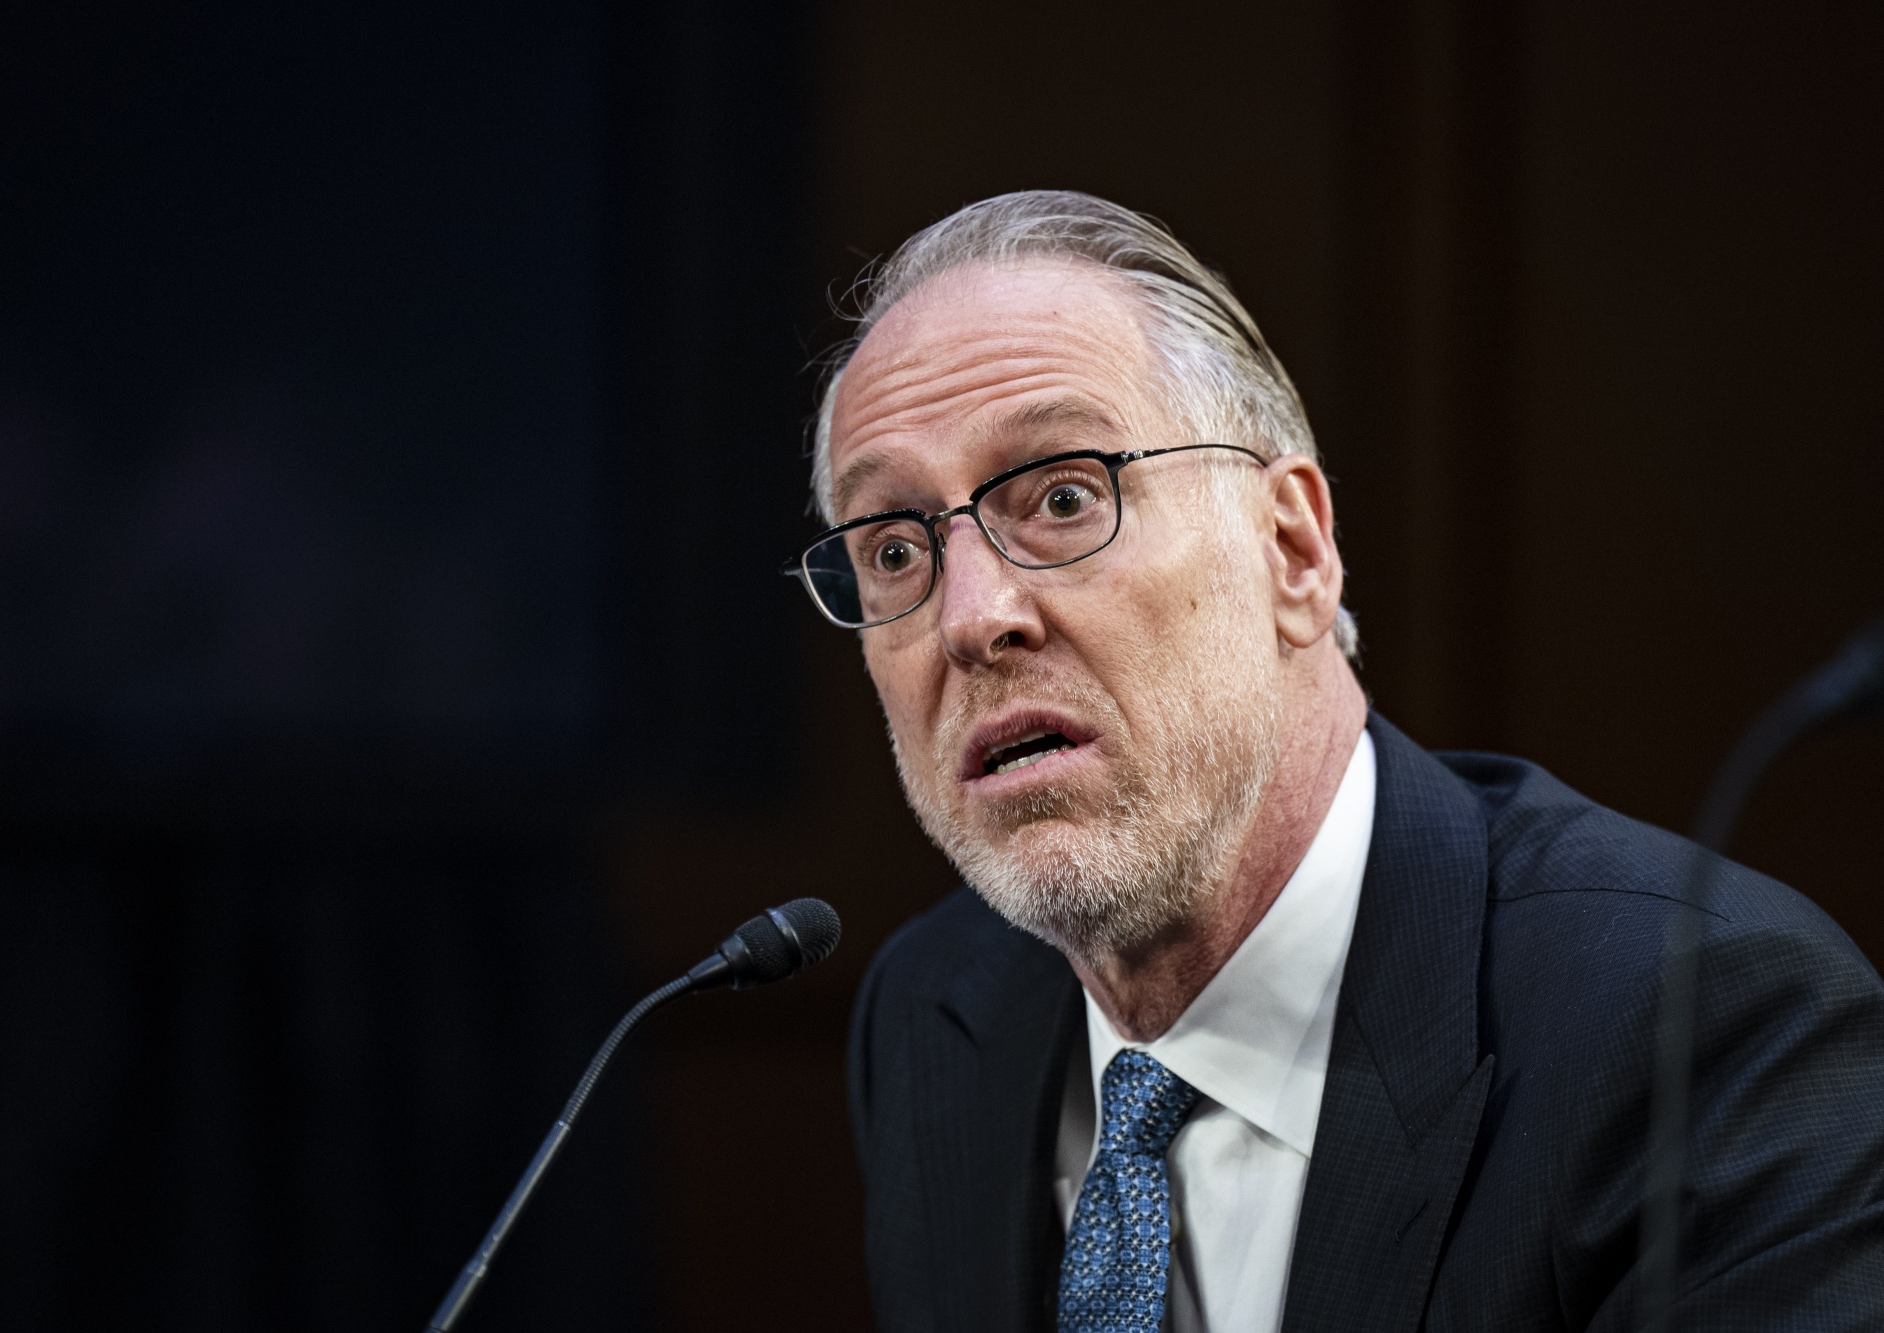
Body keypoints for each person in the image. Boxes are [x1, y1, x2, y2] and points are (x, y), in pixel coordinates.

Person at [787, 191, 1884, 1332]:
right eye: (896, 549)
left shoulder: (1700, 1027)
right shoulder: (935, 1012)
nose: (970, 617)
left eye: (1065, 497)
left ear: (1294, 553)